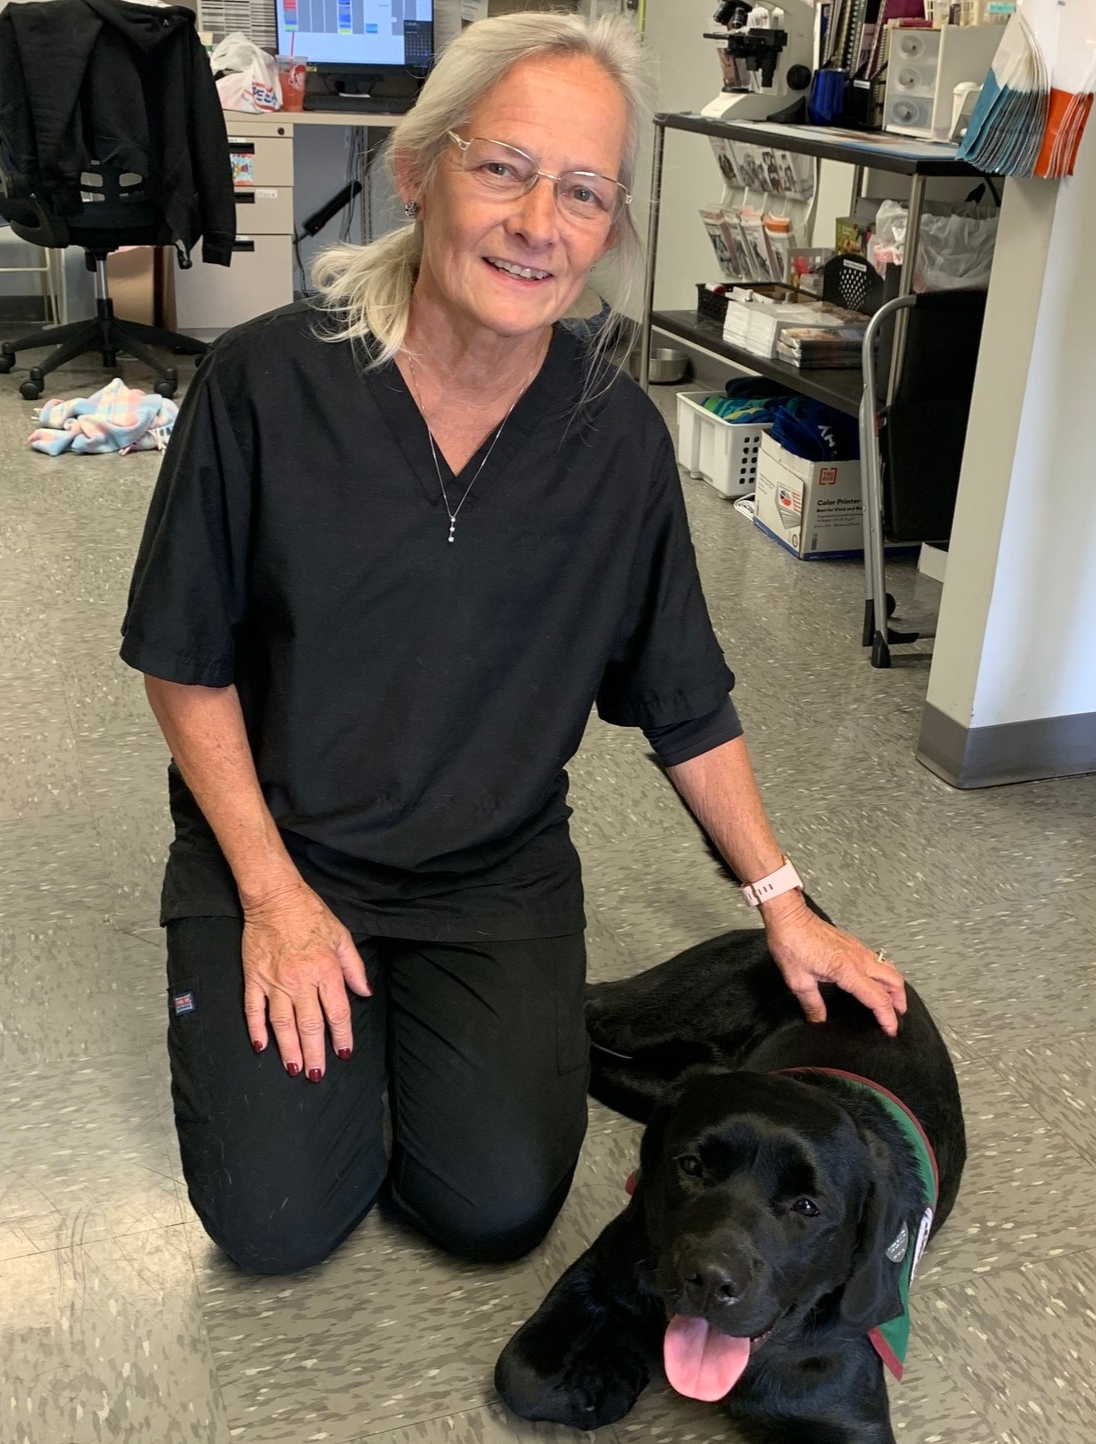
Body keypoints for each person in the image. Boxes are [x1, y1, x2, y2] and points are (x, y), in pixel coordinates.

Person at [119, 11, 908, 1277]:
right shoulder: (268, 384)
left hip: (489, 869)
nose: (539, 221)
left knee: (489, 1211)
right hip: (279, 842)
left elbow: (682, 696)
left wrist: (786, 904)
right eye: (503, 168)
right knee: (274, 1222)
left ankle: (483, 1011)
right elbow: (182, 657)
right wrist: (270, 895)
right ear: (421, 168)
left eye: (584, 192)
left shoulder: (614, 444)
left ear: (608, 229)